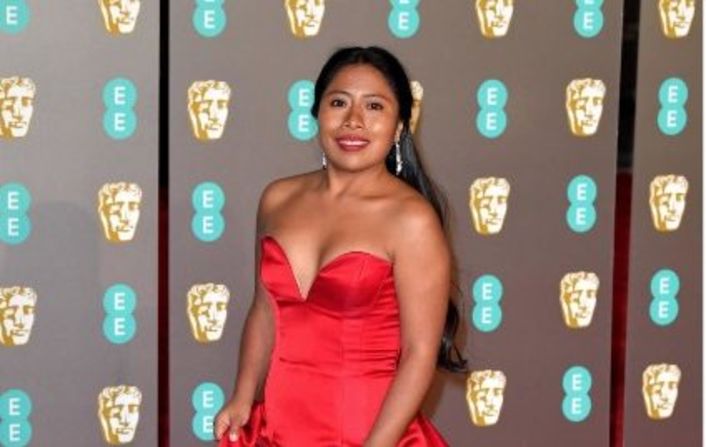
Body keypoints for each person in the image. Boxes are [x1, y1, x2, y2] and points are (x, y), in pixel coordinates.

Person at [215, 46, 466, 446]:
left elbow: (419, 353)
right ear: (316, 114)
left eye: (374, 107)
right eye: (338, 103)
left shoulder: (411, 220)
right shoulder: (277, 199)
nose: (353, 121)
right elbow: (264, 310)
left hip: (369, 432)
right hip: (278, 429)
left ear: (400, 125)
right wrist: (243, 396)